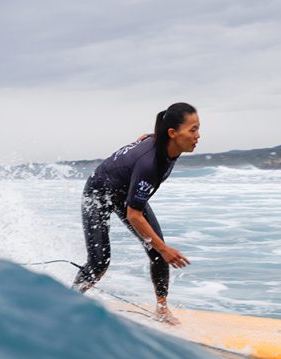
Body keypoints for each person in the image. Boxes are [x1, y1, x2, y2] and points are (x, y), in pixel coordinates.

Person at [72, 102, 200, 324]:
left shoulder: (170, 144)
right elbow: (134, 215)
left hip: (124, 191)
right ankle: (69, 302)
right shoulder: (150, 164)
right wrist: (164, 248)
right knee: (99, 263)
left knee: (158, 251)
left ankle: (162, 310)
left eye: (198, 128)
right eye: (193, 129)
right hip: (98, 193)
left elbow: (150, 137)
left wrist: (161, 248)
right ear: (172, 133)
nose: (198, 135)